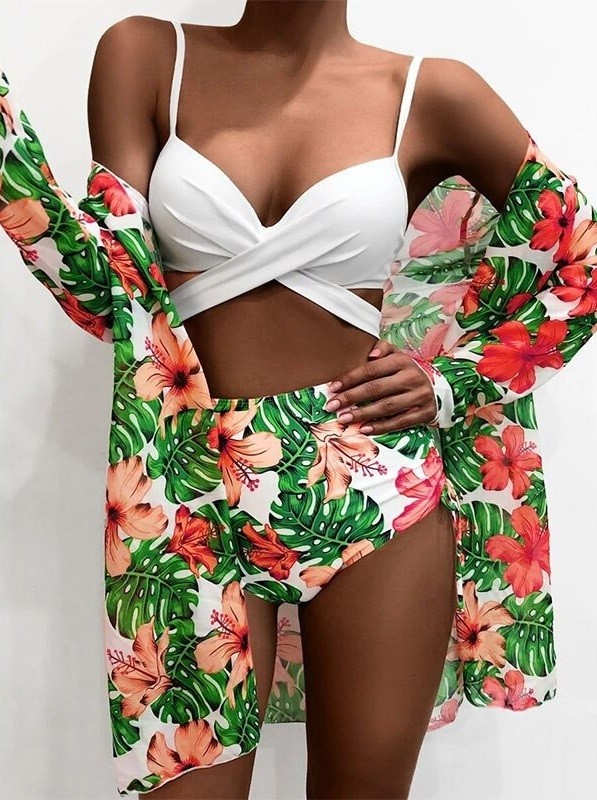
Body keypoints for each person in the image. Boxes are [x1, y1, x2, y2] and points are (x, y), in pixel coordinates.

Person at [1, 2, 596, 798]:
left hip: (374, 490)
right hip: (185, 489)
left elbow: (578, 252)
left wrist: (450, 381)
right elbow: (105, 293)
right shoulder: (146, 56)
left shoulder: (429, 92)